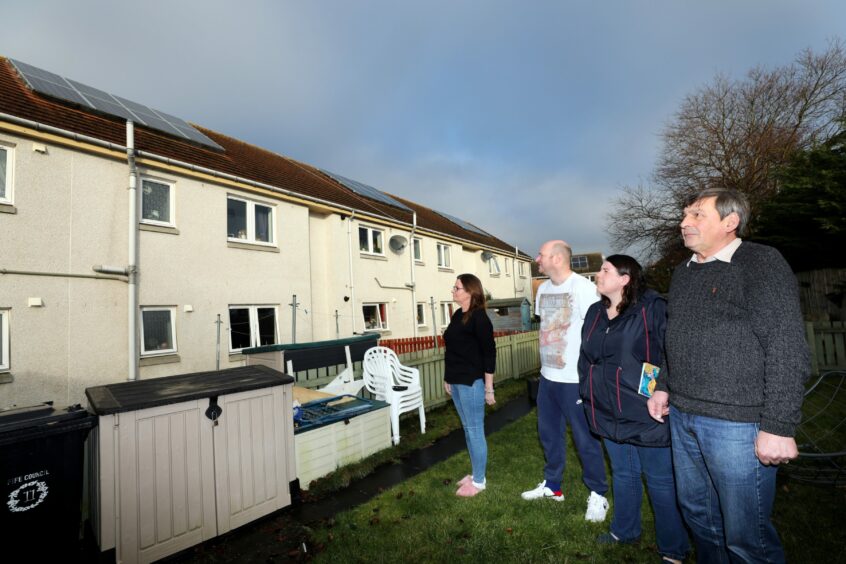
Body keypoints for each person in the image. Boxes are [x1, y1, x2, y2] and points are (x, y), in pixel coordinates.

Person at [647, 187, 810, 563]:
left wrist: (780, 425)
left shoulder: (760, 262)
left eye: (697, 215)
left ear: (730, 222)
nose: (683, 222)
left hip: (737, 425)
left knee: (746, 537)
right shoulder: (683, 272)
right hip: (684, 418)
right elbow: (678, 336)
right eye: (685, 214)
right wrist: (664, 387)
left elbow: (786, 344)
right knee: (700, 519)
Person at [578, 255, 688, 564]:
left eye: (605, 270)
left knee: (660, 481)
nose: (598, 275)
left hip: (646, 409)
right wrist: (586, 390)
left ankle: (673, 549)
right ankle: (624, 531)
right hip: (606, 408)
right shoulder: (595, 312)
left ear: (625, 279)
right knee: (623, 474)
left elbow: (669, 353)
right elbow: (586, 357)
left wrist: (662, 392)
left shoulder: (652, 308)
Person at [522, 240, 609, 522]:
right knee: (549, 436)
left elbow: (598, 334)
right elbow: (547, 328)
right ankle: (552, 486)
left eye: (542, 255)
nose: (537, 259)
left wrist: (591, 373)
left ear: (557, 259)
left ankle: (598, 494)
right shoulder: (543, 289)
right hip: (548, 377)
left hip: (575, 380)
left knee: (585, 440)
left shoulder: (584, 290)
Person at [443, 273, 497, 497]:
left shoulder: (480, 318)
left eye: (457, 288)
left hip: (472, 383)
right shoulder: (458, 315)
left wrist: (488, 387)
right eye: (454, 287)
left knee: (475, 431)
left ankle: (479, 481)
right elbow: (452, 349)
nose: (453, 291)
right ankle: (475, 473)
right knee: (467, 429)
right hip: (456, 381)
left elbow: (489, 353)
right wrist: (447, 378)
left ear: (470, 292)